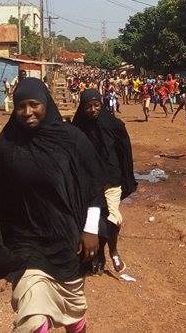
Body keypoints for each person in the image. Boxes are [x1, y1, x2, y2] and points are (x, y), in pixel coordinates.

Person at [0, 78, 106, 333]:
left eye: (34, 104)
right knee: (33, 319)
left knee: (73, 310)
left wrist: (91, 228)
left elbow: (93, 188)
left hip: (64, 239)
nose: (27, 112)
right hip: (24, 242)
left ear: (46, 103)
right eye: (20, 106)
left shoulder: (72, 141)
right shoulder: (5, 146)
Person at [72, 90, 138, 275]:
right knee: (94, 216)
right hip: (90, 182)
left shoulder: (114, 125)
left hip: (111, 178)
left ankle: (111, 250)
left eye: (96, 105)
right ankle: (97, 252)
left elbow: (125, 151)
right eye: (88, 106)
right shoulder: (77, 127)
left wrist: (126, 175)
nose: (93, 110)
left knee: (113, 217)